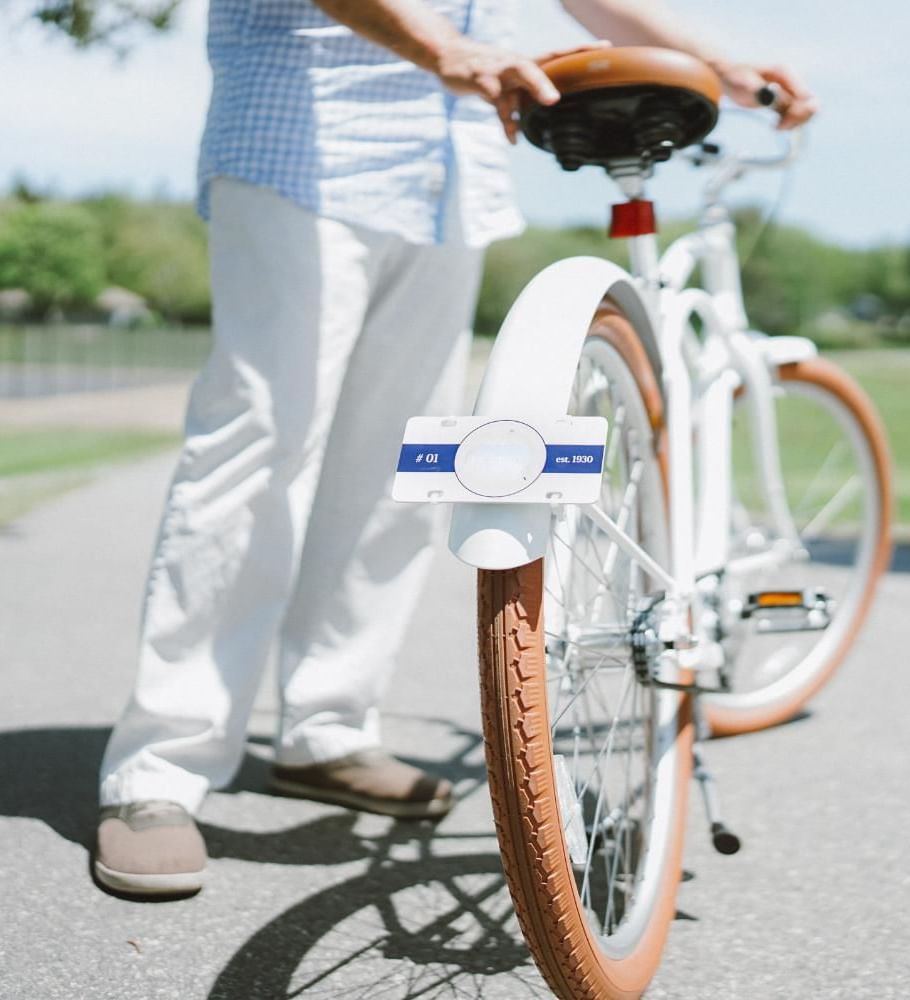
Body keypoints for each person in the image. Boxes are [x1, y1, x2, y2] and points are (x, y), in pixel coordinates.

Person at [93, 0, 816, 899]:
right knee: (260, 446)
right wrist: (440, 46)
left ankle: (328, 728)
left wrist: (718, 64)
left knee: (405, 463)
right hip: (303, 136)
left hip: (450, 169)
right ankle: (158, 773)